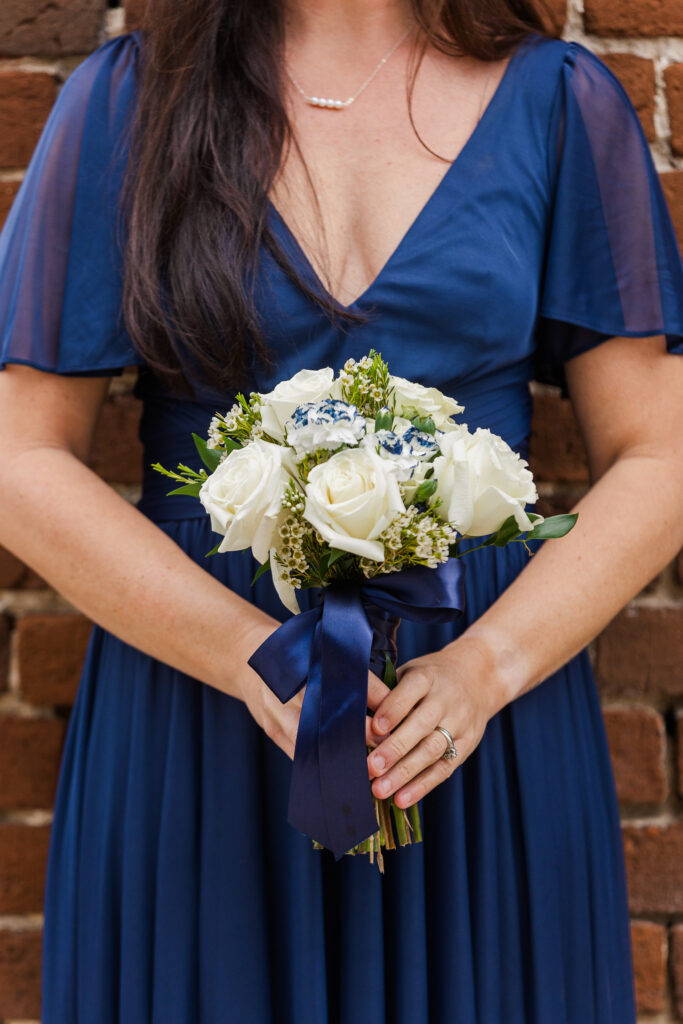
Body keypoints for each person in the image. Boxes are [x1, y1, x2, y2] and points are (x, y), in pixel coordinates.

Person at [1, 0, 682, 1020]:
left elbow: (659, 451)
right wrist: (243, 651)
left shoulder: (556, 103)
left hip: (475, 725)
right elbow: (17, 457)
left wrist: (480, 672)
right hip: (199, 720)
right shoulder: (128, 103)